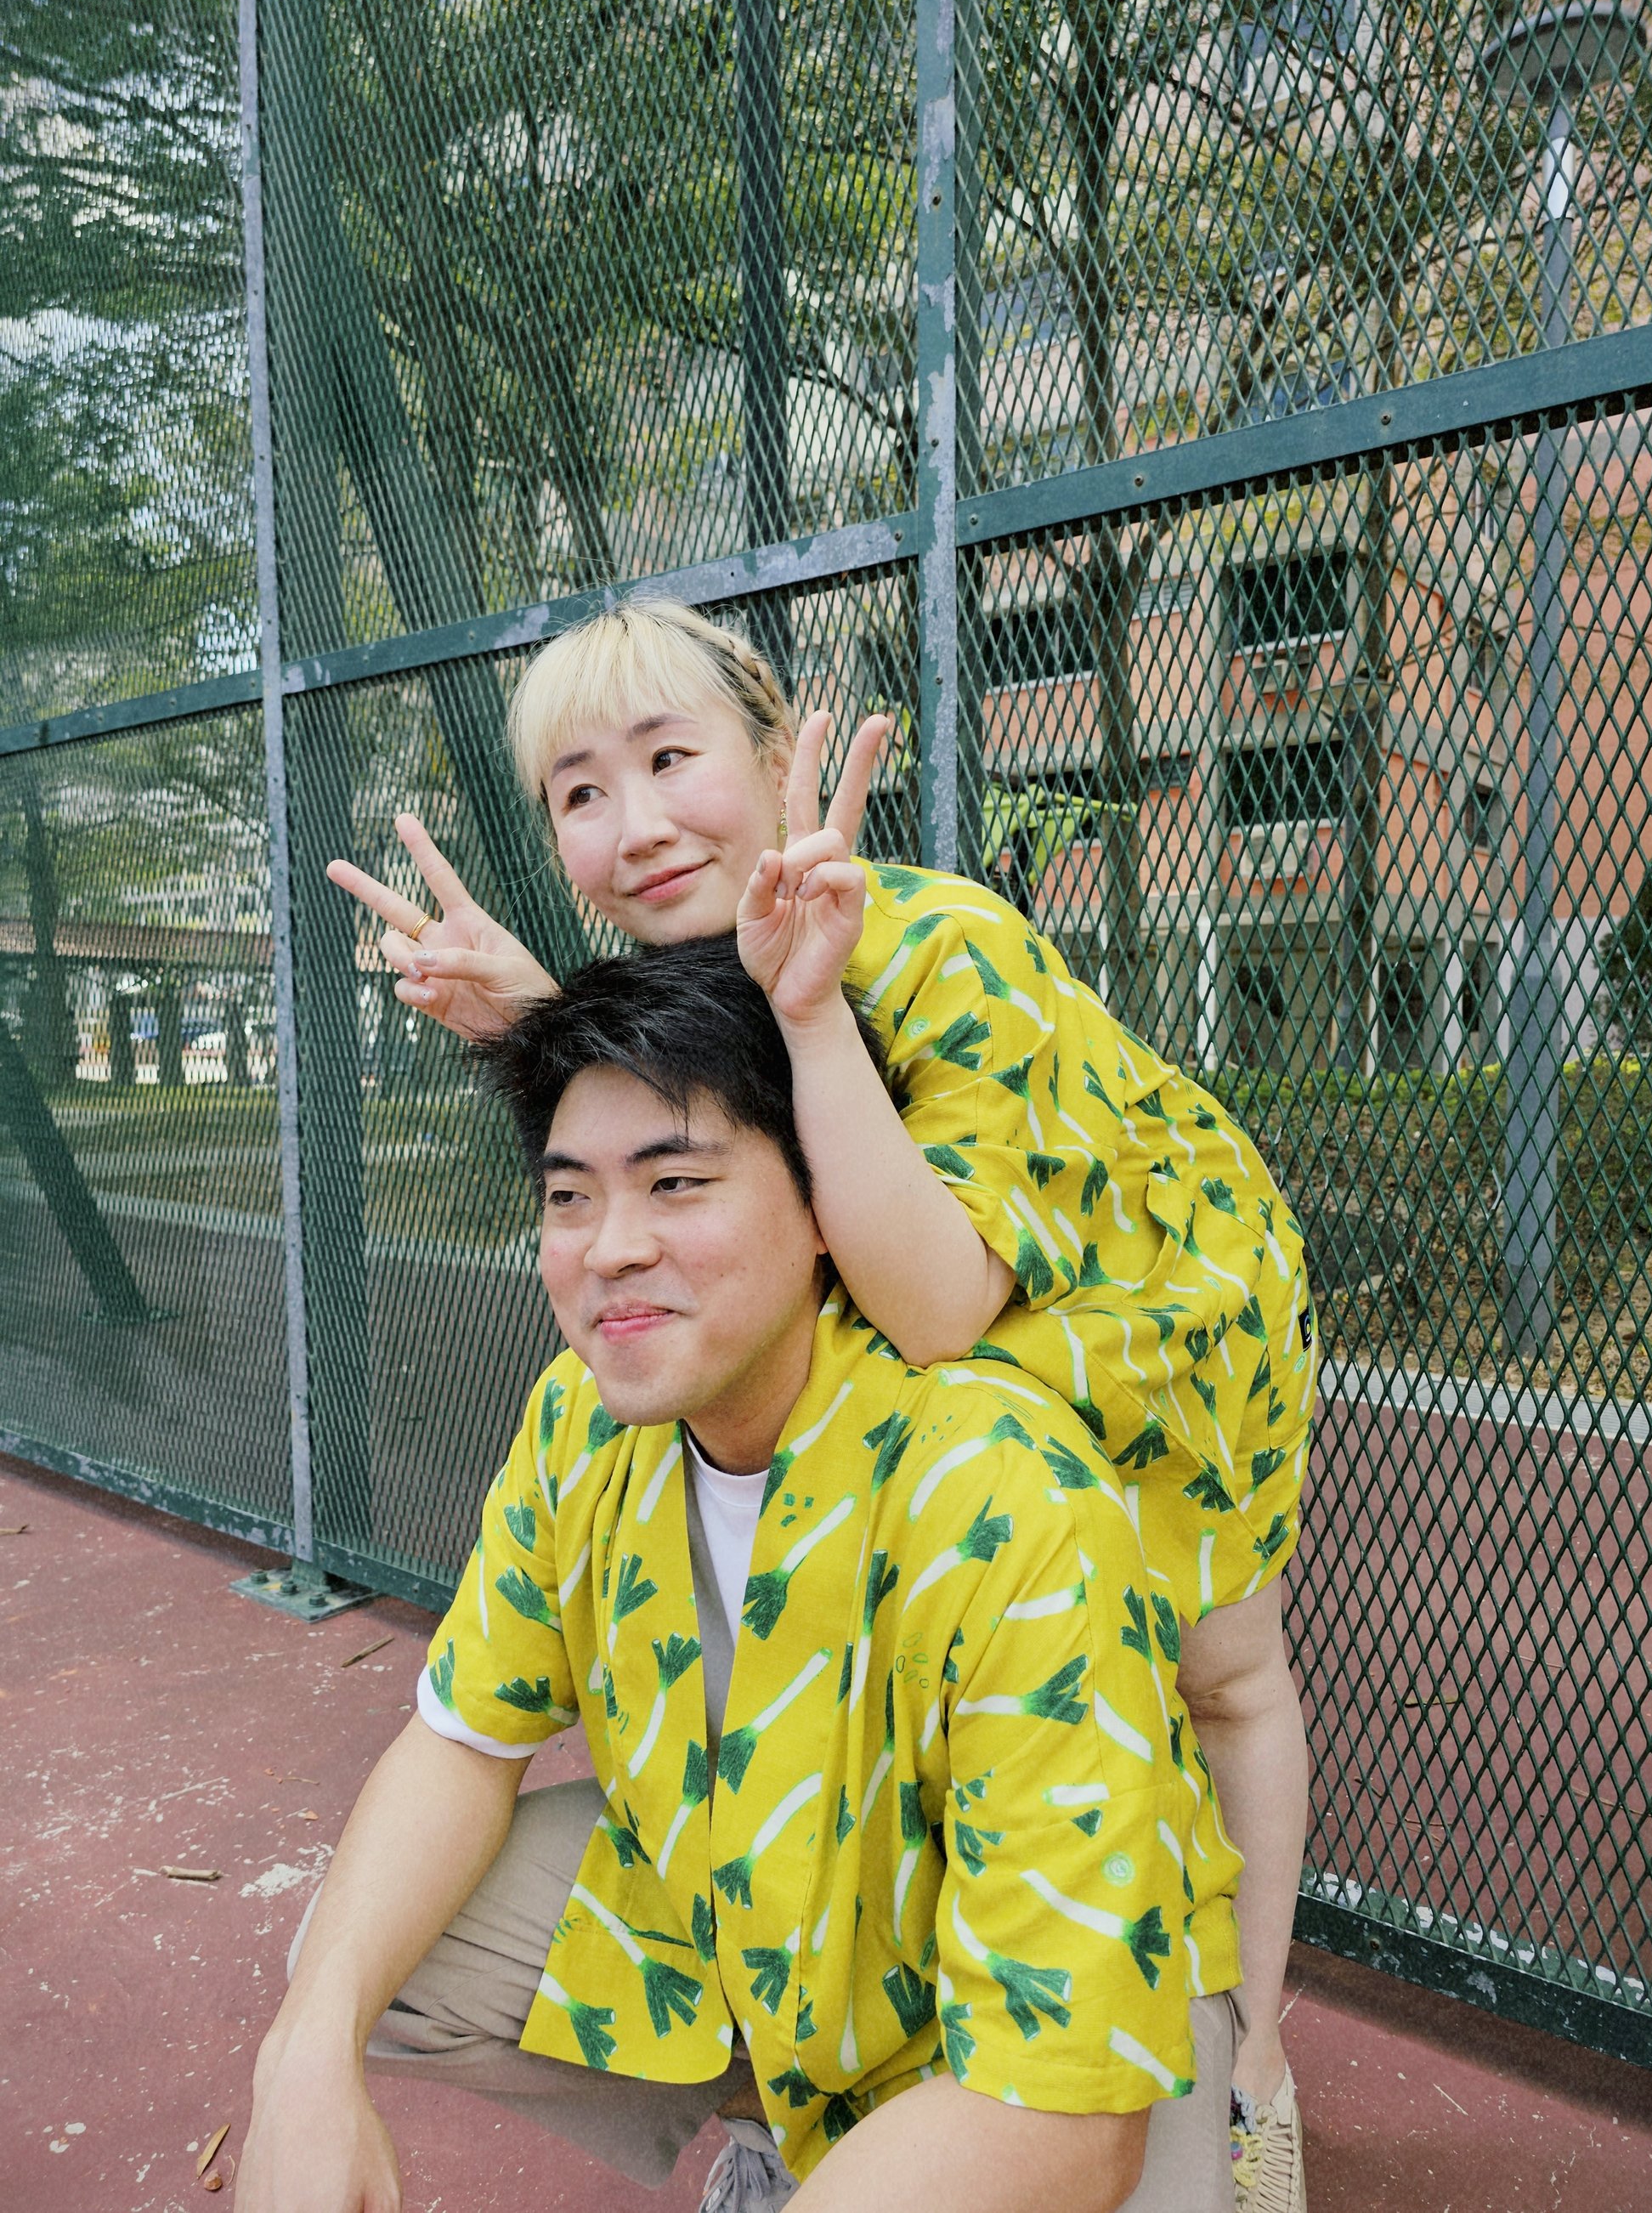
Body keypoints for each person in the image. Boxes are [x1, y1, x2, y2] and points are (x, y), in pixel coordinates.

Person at [328, 599, 1315, 2210]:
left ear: (780, 756)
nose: (637, 824)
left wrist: (799, 1010)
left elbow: (934, 1305)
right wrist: (539, 1024)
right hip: (937, 1317)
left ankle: (1254, 2061)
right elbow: (702, 1174)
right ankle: (801, 2106)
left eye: (672, 759)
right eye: (581, 791)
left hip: (1130, 1306)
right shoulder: (672, 966)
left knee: (1220, 1677)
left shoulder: (940, 943)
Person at [239, 940, 1250, 2213]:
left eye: (677, 1182)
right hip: (783, 1924)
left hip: (1058, 2031)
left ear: (825, 1205)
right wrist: (301, 2058)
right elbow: (460, 1744)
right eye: (569, 1196)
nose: (611, 1247)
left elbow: (1067, 2116)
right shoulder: (581, 1424)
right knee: (351, 1954)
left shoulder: (1005, 1489)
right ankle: (786, 2124)